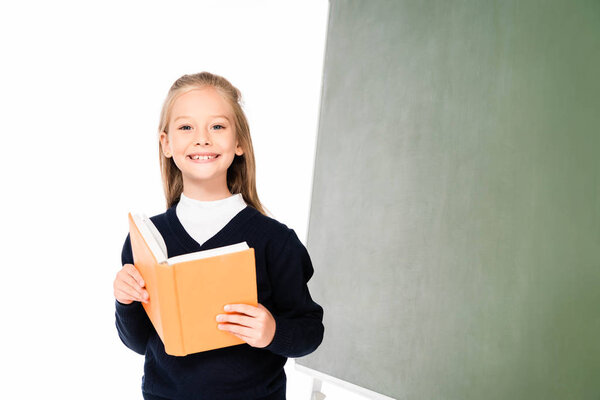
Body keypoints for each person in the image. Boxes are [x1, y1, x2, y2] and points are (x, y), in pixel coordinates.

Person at [113, 72, 324, 400]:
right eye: (186, 127)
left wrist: (272, 332)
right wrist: (125, 301)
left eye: (217, 126)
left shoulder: (275, 241)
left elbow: (309, 332)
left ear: (239, 142)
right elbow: (140, 343)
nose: (202, 139)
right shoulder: (147, 240)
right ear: (166, 144)